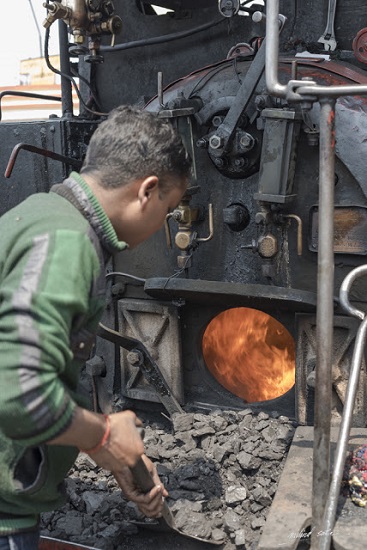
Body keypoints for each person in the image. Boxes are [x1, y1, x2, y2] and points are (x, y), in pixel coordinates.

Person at [0, 104, 192, 549]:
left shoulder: (41, 213)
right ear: (147, 190)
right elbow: (18, 390)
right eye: (169, 208)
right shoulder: (68, 244)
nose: (165, 222)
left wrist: (104, 445)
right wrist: (105, 435)